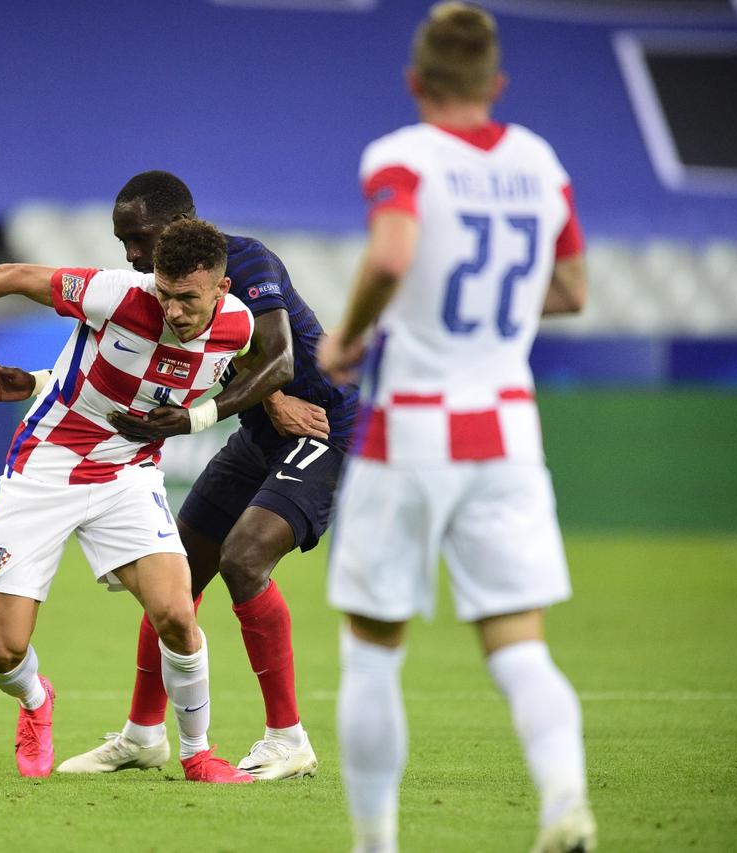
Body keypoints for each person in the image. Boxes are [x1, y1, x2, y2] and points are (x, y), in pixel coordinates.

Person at [0, 170, 358, 780]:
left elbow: (274, 361)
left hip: (321, 428)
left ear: (179, 236)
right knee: (179, 579)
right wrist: (42, 382)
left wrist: (221, 410)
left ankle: (288, 737)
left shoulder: (247, 264)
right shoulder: (154, 296)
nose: (133, 256)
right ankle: (144, 736)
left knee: (245, 557)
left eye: (139, 241)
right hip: (258, 433)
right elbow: (151, 372)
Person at [315, 4, 594, 852]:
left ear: (415, 83)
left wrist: (351, 333)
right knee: (518, 644)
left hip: (412, 433)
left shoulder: (402, 156)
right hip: (508, 430)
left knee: (372, 652)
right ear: (495, 85)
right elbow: (574, 289)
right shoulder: (541, 164)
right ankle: (564, 802)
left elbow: (394, 253)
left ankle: (375, 845)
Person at [0, 218, 255, 784]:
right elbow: (17, 274)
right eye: (165, 295)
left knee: (176, 613)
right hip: (45, 468)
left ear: (220, 289)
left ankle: (198, 754)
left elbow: (258, 369)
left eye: (187, 299)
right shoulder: (118, 294)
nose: (173, 311)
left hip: (128, 474)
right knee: (4, 650)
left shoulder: (239, 326)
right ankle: (35, 702)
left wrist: (279, 403)